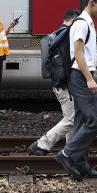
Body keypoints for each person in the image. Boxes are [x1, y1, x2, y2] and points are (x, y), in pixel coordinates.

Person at [54, 0, 97, 181]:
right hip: (79, 77)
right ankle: (66, 154)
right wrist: (89, 79)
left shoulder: (89, 23)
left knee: (82, 122)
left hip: (84, 74)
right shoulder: (81, 23)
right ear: (91, 3)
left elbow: (90, 54)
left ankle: (81, 165)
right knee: (96, 121)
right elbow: (78, 53)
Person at [29, 9, 80, 156]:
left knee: (73, 118)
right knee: (72, 118)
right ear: (74, 20)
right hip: (66, 86)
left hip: (59, 83)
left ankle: (71, 151)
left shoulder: (56, 34)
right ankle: (42, 144)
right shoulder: (67, 36)